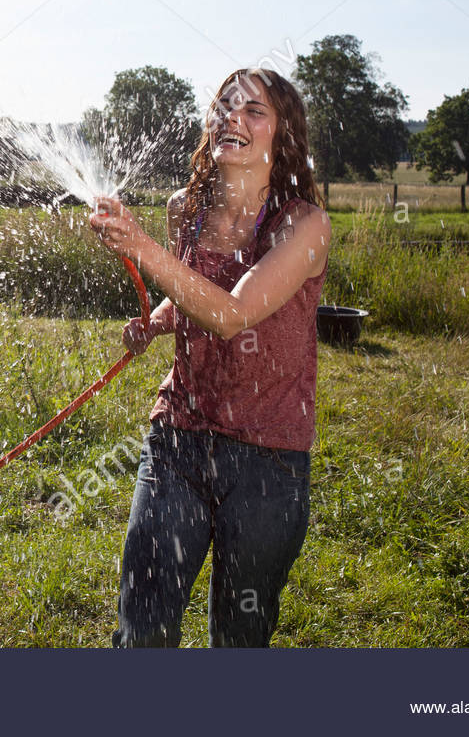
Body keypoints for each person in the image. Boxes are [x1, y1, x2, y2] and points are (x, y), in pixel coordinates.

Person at [88, 68, 331, 648]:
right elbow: (193, 290)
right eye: (225, 106)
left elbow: (231, 314)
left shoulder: (304, 225)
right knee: (144, 622)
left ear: (281, 134)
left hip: (268, 456)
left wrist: (139, 247)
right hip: (180, 438)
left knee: (239, 634)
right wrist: (158, 319)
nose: (234, 119)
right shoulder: (185, 210)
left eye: (254, 111)